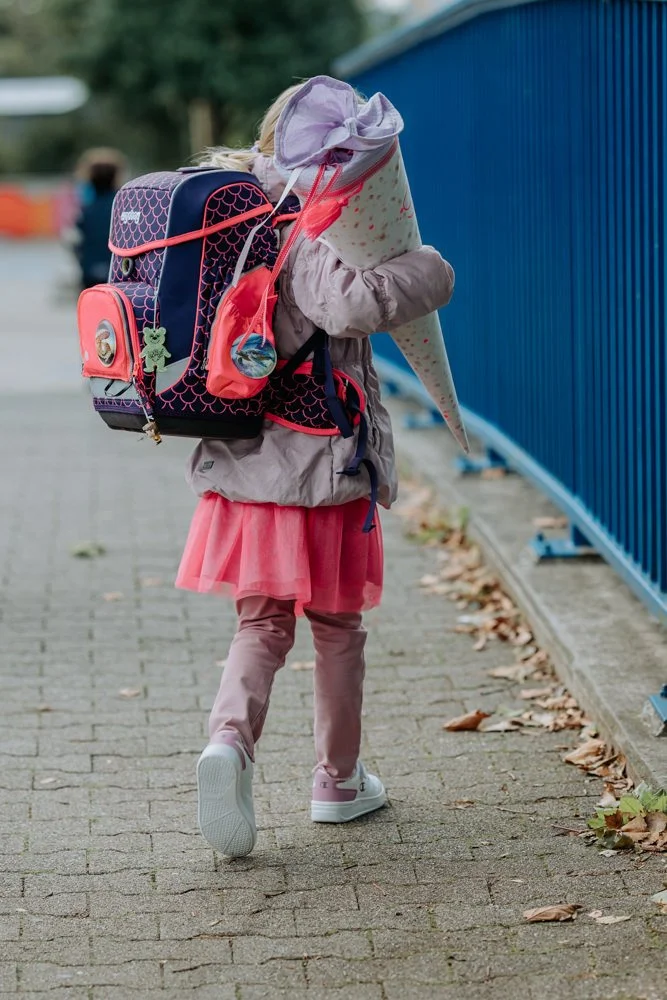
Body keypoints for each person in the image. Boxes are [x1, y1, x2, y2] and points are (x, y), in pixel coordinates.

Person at [175, 82, 455, 858]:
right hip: (318, 461)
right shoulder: (310, 214)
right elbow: (346, 309)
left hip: (243, 456)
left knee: (260, 621)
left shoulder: (235, 207)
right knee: (336, 626)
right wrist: (427, 270)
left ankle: (227, 741)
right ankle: (336, 780)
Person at [72, 148, 126, 290]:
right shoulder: (125, 209)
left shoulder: (84, 211)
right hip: (120, 276)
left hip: (90, 274)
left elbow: (74, 242)